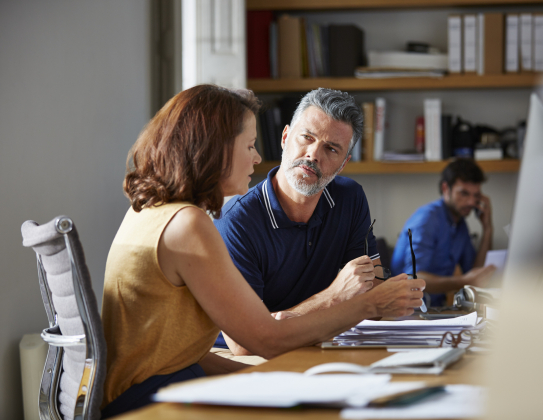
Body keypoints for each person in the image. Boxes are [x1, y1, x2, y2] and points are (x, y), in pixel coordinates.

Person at [99, 84, 424, 418]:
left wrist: (270, 378)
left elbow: (176, 352)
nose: (256, 157)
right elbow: (265, 340)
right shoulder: (188, 225)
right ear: (216, 149)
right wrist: (367, 304)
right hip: (145, 404)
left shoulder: (150, 212)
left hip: (152, 387)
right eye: (250, 145)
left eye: (330, 148)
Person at [214, 88, 388, 355]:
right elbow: (246, 343)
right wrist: (334, 297)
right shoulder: (236, 222)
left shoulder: (350, 198)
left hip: (319, 347)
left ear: (343, 164)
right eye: (307, 137)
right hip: (247, 364)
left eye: (331, 149)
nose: (313, 155)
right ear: (285, 137)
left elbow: (372, 289)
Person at [390, 158, 496, 307]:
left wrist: (487, 228)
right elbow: (413, 279)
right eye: (464, 193)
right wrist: (464, 281)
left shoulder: (460, 224)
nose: (472, 202)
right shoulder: (427, 219)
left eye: (476, 195)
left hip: (434, 310)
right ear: (446, 189)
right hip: (405, 312)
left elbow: (476, 273)